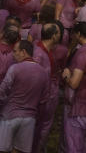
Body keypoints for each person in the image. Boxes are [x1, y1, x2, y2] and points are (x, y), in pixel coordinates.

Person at [0, 39, 49, 153]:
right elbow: (44, 102)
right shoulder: (43, 73)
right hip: (29, 119)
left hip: (9, 116)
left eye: (15, 51)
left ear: (23, 52)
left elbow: (0, 93)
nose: (13, 55)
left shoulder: (15, 68)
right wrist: (37, 119)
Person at [31, 22, 67, 153]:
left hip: (47, 97)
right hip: (40, 99)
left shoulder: (45, 51)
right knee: (39, 128)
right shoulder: (39, 54)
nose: (61, 35)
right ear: (53, 37)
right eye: (58, 33)